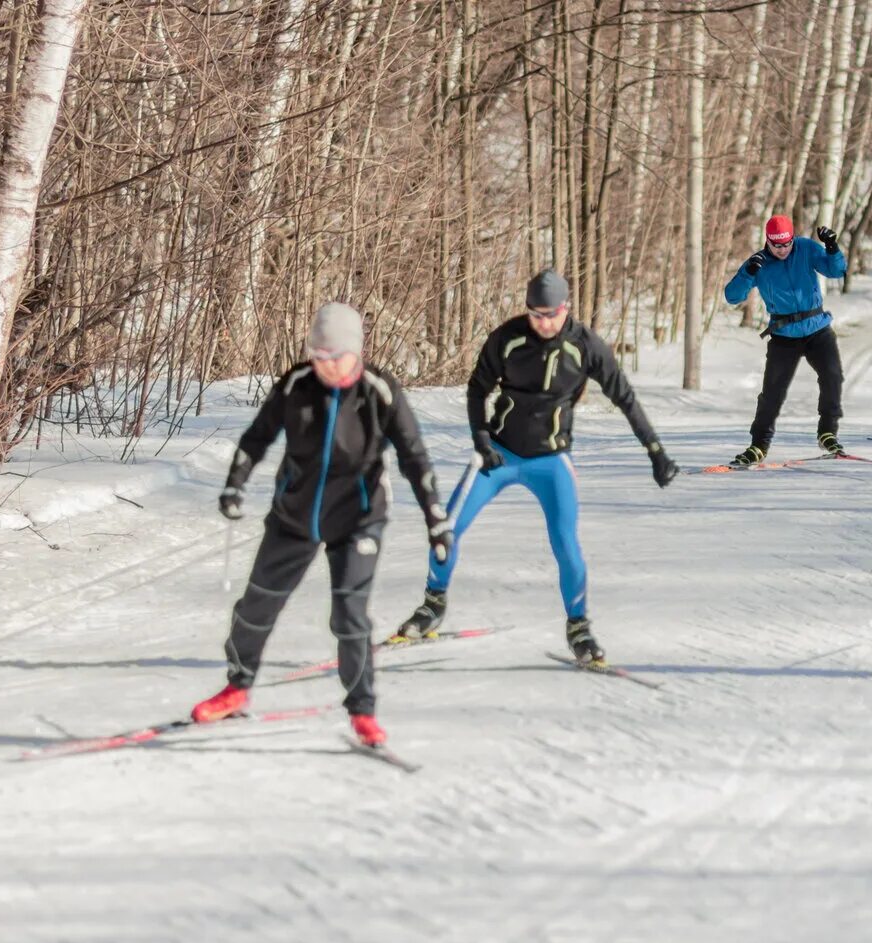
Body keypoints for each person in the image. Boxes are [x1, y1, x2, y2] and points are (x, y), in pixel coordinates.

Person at [193, 303, 452, 747]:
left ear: (356, 352)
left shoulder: (379, 390)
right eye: (319, 355)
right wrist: (235, 484)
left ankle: (362, 711)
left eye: (337, 356)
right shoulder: (296, 384)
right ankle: (237, 686)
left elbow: (414, 456)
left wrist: (435, 518)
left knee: (349, 615)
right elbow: (257, 437)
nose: (327, 365)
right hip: (294, 516)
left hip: (358, 520)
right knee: (256, 607)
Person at [396, 269, 677, 668]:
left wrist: (655, 451)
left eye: (552, 314)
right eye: (536, 314)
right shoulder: (508, 338)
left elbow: (625, 397)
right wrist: (480, 440)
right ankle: (432, 604)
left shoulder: (586, 346)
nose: (544, 323)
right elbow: (477, 388)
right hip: (499, 455)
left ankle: (579, 627)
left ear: (566, 308)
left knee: (566, 544)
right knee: (447, 528)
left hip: (551, 459)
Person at [723, 215, 847, 465]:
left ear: (792, 238)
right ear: (768, 241)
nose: (782, 250)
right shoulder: (758, 262)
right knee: (772, 393)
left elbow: (836, 270)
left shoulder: (806, 248)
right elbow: (732, 296)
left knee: (832, 376)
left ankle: (827, 433)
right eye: (776, 245)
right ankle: (758, 445)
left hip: (817, 328)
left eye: (786, 244)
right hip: (784, 335)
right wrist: (747, 274)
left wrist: (832, 247)